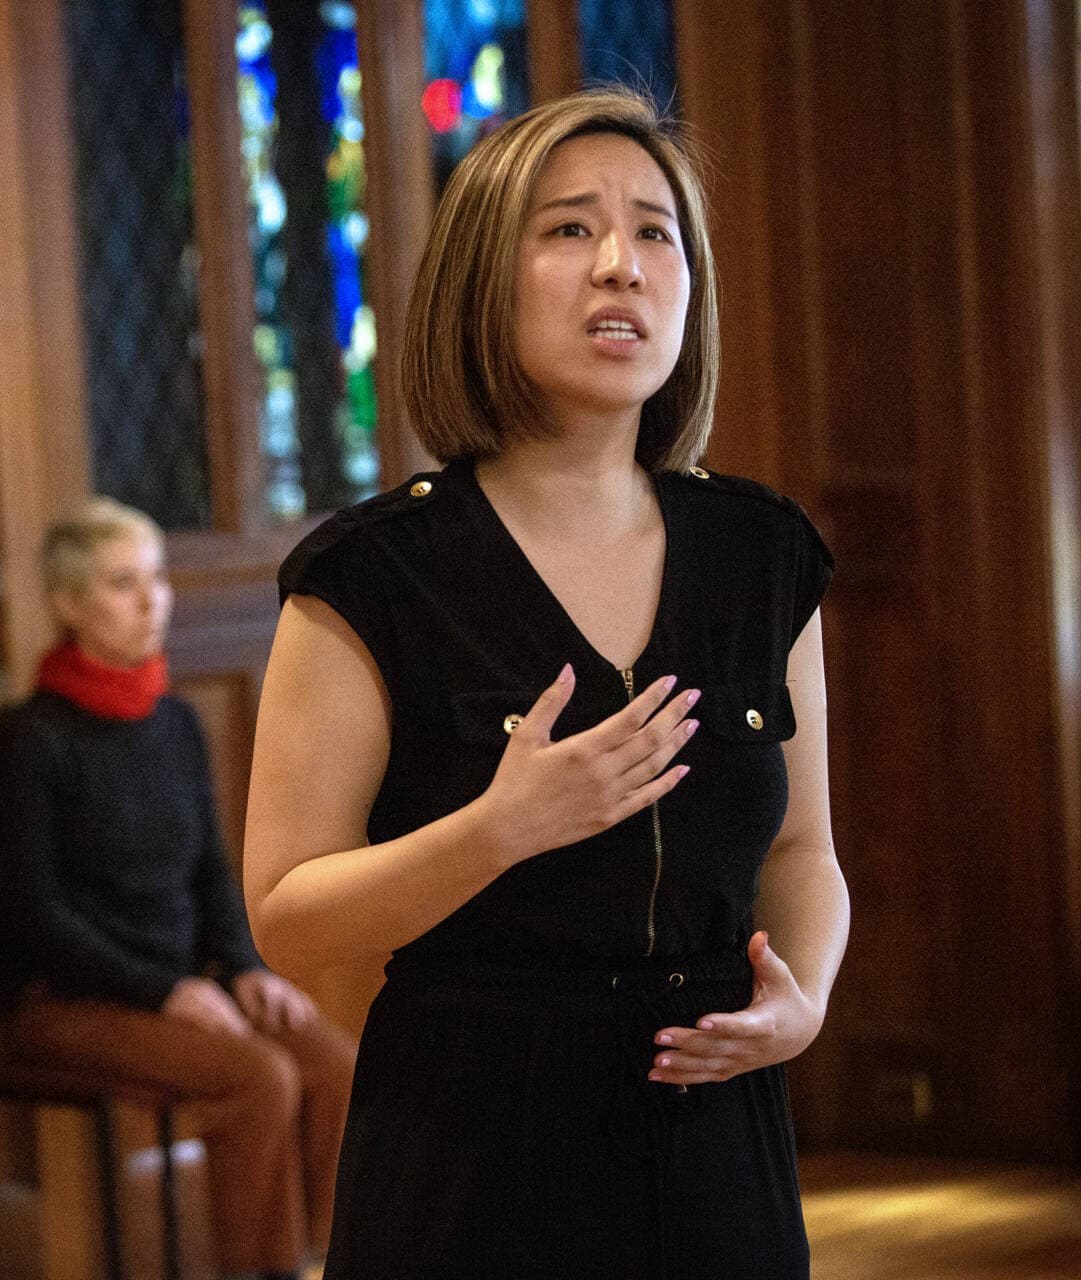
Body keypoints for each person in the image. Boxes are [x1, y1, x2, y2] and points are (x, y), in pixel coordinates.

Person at [243, 86, 848, 1279]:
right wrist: (499, 830)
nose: (620, 264)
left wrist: (805, 1001)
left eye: (655, 231)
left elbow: (805, 852)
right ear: (484, 277)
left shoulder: (763, 555)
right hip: (473, 1154)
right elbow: (286, 909)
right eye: (569, 229)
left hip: (717, 1141)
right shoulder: (373, 578)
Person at [0, 498, 356, 1280]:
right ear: (69, 605)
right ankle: (264, 1270)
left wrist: (246, 966)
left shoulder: (176, 722)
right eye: (124, 583)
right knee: (261, 1078)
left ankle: (332, 1257)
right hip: (70, 999)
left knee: (334, 1064)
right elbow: (36, 912)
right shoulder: (32, 738)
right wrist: (165, 991)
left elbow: (210, 870)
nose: (153, 600)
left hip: (186, 984)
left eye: (157, 577)